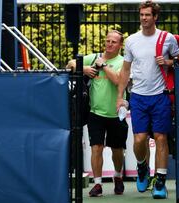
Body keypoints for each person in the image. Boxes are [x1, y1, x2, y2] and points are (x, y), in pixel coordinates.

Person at [116, 1, 179, 199]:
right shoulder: (131, 41)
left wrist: (169, 61)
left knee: (161, 137)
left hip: (161, 96)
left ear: (155, 17)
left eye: (148, 15)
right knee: (139, 139)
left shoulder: (167, 38)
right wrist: (120, 97)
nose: (144, 18)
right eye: (142, 15)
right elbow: (126, 69)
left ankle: (160, 182)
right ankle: (142, 167)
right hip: (137, 96)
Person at [67, 30, 128, 197]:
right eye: (107, 40)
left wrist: (103, 66)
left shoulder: (123, 62)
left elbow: (118, 80)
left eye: (113, 42)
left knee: (117, 150)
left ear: (120, 45)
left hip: (116, 114)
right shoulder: (93, 58)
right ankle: (98, 184)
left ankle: (117, 176)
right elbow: (70, 64)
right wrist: (84, 68)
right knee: (96, 148)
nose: (109, 44)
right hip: (95, 113)